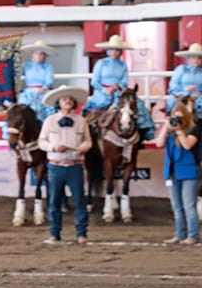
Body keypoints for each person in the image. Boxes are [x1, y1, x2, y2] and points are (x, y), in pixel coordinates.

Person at [37, 85, 92, 244]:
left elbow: (88, 140)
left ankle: (82, 233)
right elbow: (41, 142)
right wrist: (53, 147)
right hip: (55, 165)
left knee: (79, 201)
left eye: (70, 99)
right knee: (54, 201)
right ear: (58, 103)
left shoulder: (81, 121)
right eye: (64, 99)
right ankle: (54, 233)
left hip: (75, 165)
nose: (67, 101)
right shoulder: (50, 121)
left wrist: (84, 147)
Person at [83, 34, 155, 142]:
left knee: (138, 106)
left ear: (121, 51)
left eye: (117, 50)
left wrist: (117, 87)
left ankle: (141, 134)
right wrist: (105, 90)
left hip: (118, 92)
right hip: (102, 93)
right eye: (112, 50)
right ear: (108, 50)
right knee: (91, 115)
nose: (115, 52)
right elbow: (94, 81)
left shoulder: (122, 65)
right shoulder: (101, 63)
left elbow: (124, 81)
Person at [155, 99, 200, 245]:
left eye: (179, 118)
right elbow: (159, 143)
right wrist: (165, 128)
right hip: (172, 171)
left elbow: (187, 145)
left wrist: (179, 131)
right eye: (175, 117)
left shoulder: (194, 130)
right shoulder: (171, 132)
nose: (176, 120)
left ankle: (192, 235)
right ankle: (179, 234)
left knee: (189, 205)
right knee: (177, 205)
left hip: (189, 171)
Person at [19, 39, 57, 122]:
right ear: (32, 55)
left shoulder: (48, 67)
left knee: (47, 109)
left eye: (42, 54)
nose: (39, 55)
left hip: (43, 91)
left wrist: (44, 87)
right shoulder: (26, 66)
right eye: (36, 53)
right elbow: (17, 72)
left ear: (45, 56)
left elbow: (49, 80)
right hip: (29, 92)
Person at [166, 43, 202, 114]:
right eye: (193, 58)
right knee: (173, 102)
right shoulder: (181, 69)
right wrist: (186, 89)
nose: (196, 60)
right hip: (181, 96)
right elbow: (173, 86)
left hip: (198, 99)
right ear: (189, 58)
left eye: (199, 58)